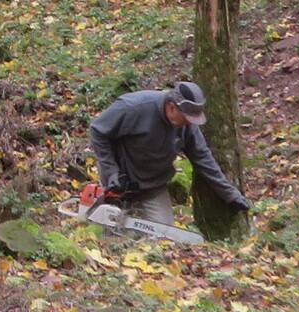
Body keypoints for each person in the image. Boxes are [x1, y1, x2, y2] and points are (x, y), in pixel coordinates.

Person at [87, 79, 251, 229]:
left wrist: (230, 194)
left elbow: (203, 158)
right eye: (186, 117)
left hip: (153, 185)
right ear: (171, 107)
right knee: (111, 231)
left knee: (164, 234)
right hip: (120, 179)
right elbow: (97, 130)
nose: (189, 123)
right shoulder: (133, 107)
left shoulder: (188, 126)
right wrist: (111, 171)